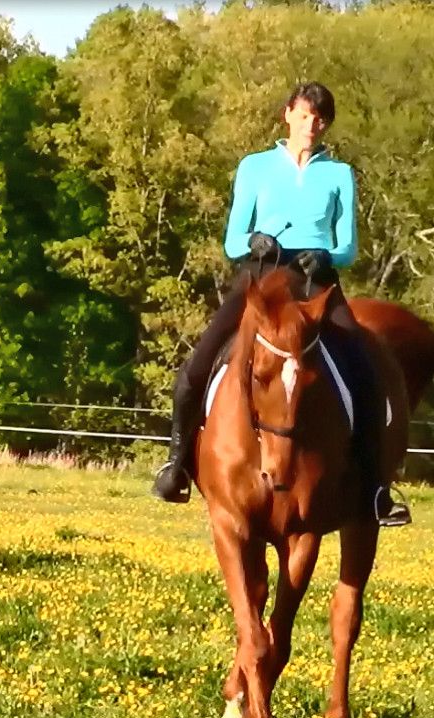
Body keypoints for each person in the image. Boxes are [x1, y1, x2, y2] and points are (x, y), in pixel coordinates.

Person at [153, 81, 410, 527]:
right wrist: (252, 241)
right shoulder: (254, 168)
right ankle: (175, 466)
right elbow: (233, 239)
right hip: (261, 278)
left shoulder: (339, 174)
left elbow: (348, 245)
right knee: (195, 369)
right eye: (306, 115)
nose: (313, 125)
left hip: (316, 281)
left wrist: (327, 254)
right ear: (287, 114)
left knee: (366, 378)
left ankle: (375, 491)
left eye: (322, 119)